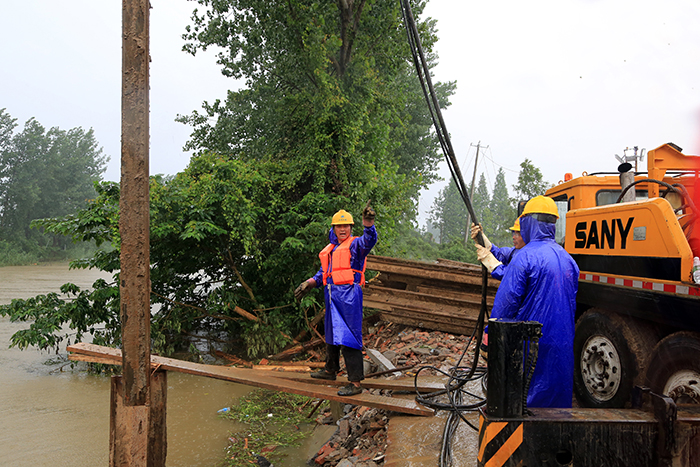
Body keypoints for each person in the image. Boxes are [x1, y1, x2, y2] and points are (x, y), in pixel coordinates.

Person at [476, 196, 579, 408]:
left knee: (525, 398)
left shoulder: (525, 258)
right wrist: (487, 243)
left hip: (532, 344)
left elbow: (505, 306)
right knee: (556, 399)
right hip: (563, 343)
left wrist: (490, 335)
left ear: (528, 222)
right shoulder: (568, 260)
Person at [294, 202, 377, 396]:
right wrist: (309, 283)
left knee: (349, 337)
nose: (343, 229)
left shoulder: (356, 245)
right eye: (339, 226)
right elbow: (323, 273)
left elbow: (369, 240)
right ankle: (330, 370)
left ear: (351, 227)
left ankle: (355, 383)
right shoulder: (330, 249)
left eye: (346, 225)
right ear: (333, 228)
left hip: (349, 295)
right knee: (331, 333)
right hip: (332, 295)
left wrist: (369, 223)